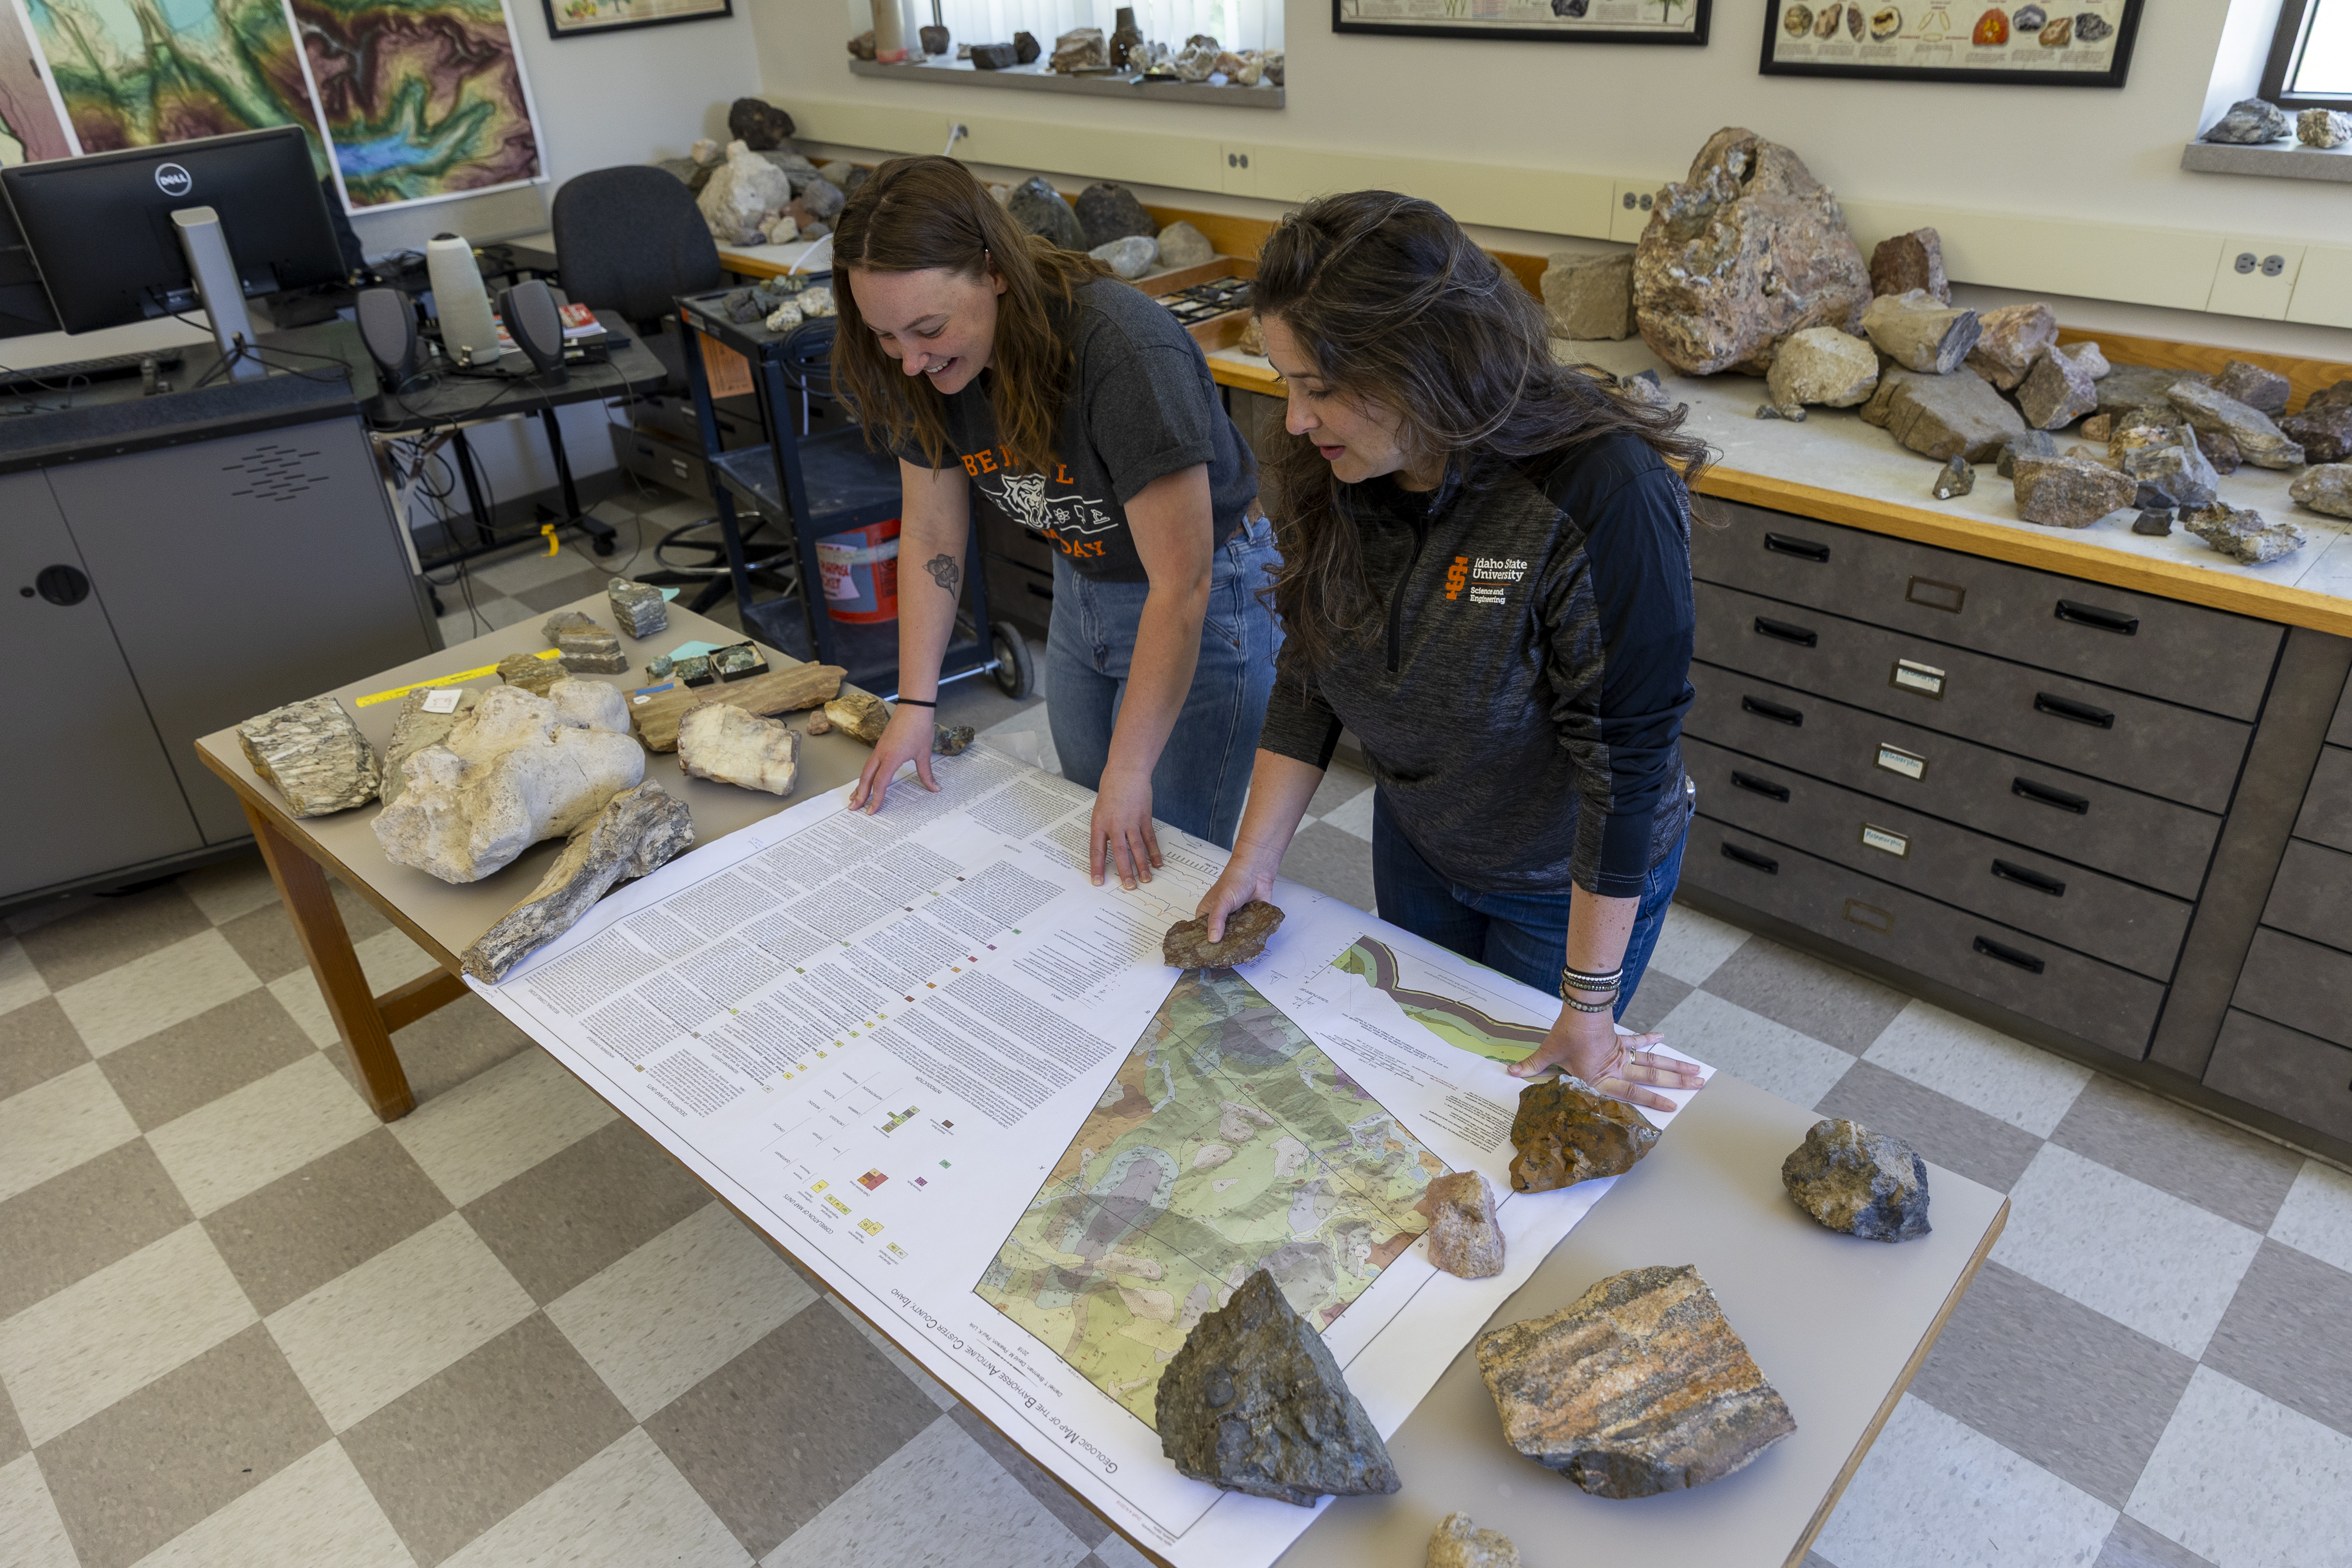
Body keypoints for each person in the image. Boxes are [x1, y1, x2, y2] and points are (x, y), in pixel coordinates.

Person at [1193, 192, 1706, 1110]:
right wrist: (1254, 859)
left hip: (1562, 876)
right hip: (1424, 835)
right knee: (1422, 1075)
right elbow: (1309, 669)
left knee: (1509, 1098)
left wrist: (1588, 1005)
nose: (1298, 419)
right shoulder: (1337, 461)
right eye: (1287, 382)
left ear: (1423, 364)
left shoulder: (1603, 491)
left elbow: (1624, 771)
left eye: (1319, 386)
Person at [828, 156, 1279, 888]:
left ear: (993, 269)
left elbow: (1182, 582)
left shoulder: (1122, 349)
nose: (909, 361)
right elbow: (935, 535)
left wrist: (1131, 770)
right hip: (1084, 579)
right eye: (885, 337)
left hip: (1204, 595)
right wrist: (914, 702)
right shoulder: (924, 365)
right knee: (1092, 814)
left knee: (1164, 846)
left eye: (928, 328)